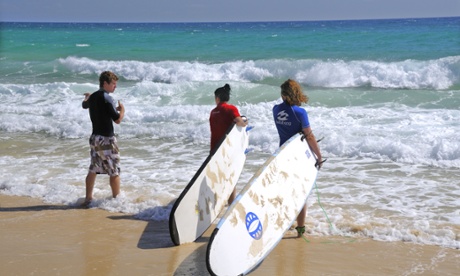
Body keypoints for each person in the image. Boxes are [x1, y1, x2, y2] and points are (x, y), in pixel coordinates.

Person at [272, 79, 323, 237]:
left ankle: (282, 224)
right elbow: (309, 135)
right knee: (301, 193)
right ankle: (300, 229)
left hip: (282, 154)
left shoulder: (275, 110)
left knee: (285, 192)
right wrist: (319, 156)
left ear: (283, 95)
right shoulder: (300, 112)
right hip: (298, 157)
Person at [81, 71, 125, 207]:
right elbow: (117, 119)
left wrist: (87, 97)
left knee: (93, 169)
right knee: (114, 170)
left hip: (95, 138)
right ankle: (117, 200)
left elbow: (85, 105)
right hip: (106, 139)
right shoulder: (107, 98)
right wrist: (122, 110)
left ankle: (88, 199)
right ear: (105, 83)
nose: (115, 87)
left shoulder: (94, 97)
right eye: (113, 84)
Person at [209, 83, 247, 205]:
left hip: (214, 149)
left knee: (218, 177)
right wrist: (245, 121)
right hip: (227, 150)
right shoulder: (230, 109)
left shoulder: (213, 111)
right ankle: (230, 204)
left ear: (217, 98)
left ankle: (216, 202)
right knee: (231, 177)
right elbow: (239, 122)